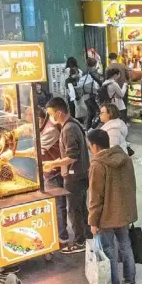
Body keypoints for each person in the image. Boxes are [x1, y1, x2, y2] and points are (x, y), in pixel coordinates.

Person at [87, 128, 138, 284]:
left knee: (109, 252)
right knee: (126, 246)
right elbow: (131, 185)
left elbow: (95, 196)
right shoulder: (124, 158)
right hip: (123, 212)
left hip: (106, 217)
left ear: (94, 146)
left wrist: (93, 221)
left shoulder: (98, 164)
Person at [9, 106, 69, 247]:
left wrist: (13, 153)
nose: (30, 124)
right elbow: (25, 129)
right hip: (46, 170)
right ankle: (56, 234)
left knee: (59, 206)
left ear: (39, 119)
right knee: (55, 205)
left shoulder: (50, 130)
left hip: (54, 172)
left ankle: (62, 237)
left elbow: (36, 152)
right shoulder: (40, 126)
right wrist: (13, 133)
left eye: (31, 120)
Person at [44, 97, 91, 254]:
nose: (50, 117)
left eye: (51, 113)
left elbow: (72, 156)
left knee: (74, 209)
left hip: (74, 176)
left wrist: (52, 164)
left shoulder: (68, 129)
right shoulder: (73, 123)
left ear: (58, 113)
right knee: (80, 208)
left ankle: (80, 242)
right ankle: (87, 236)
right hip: (81, 173)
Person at [77, 58, 102, 129]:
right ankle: (93, 127)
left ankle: (88, 128)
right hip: (92, 95)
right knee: (98, 112)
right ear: (95, 64)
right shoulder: (93, 72)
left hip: (85, 95)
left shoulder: (84, 72)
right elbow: (98, 84)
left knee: (90, 112)